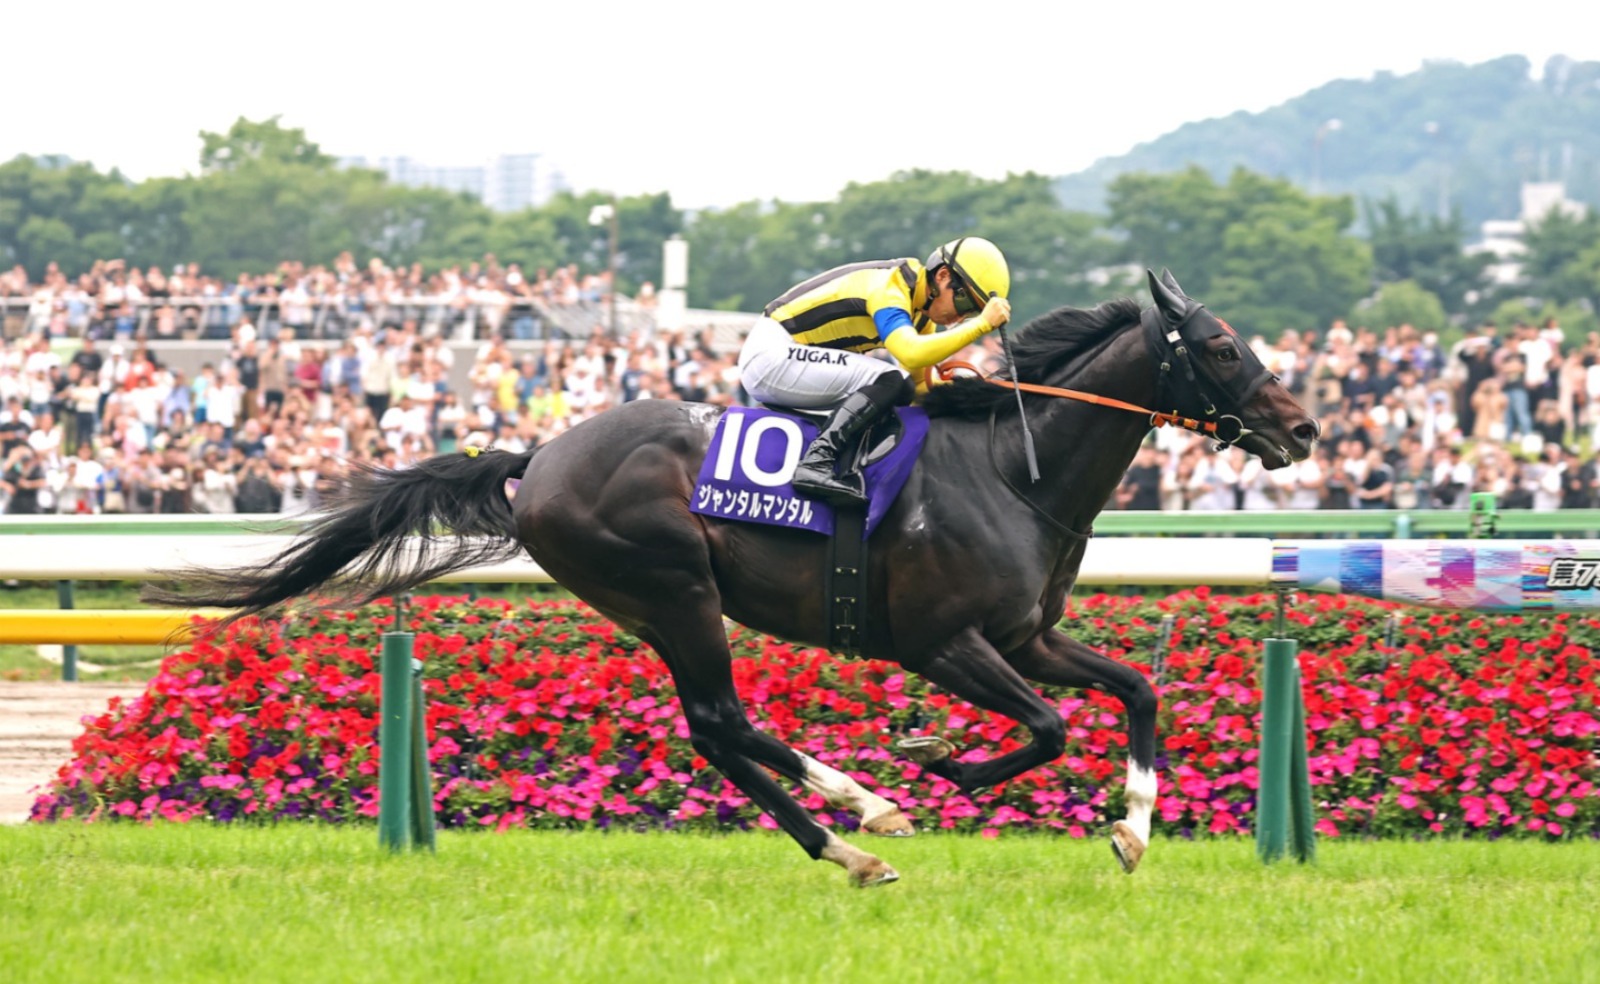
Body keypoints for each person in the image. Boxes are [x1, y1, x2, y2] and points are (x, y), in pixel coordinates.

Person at [736, 237, 1011, 505]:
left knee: (899, 386)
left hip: (784, 360)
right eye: (964, 303)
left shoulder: (919, 315)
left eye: (973, 313)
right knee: (890, 379)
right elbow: (910, 353)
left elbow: (919, 386)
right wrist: (982, 324)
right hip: (771, 354)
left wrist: (977, 401)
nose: (961, 318)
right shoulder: (890, 288)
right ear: (941, 276)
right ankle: (816, 463)